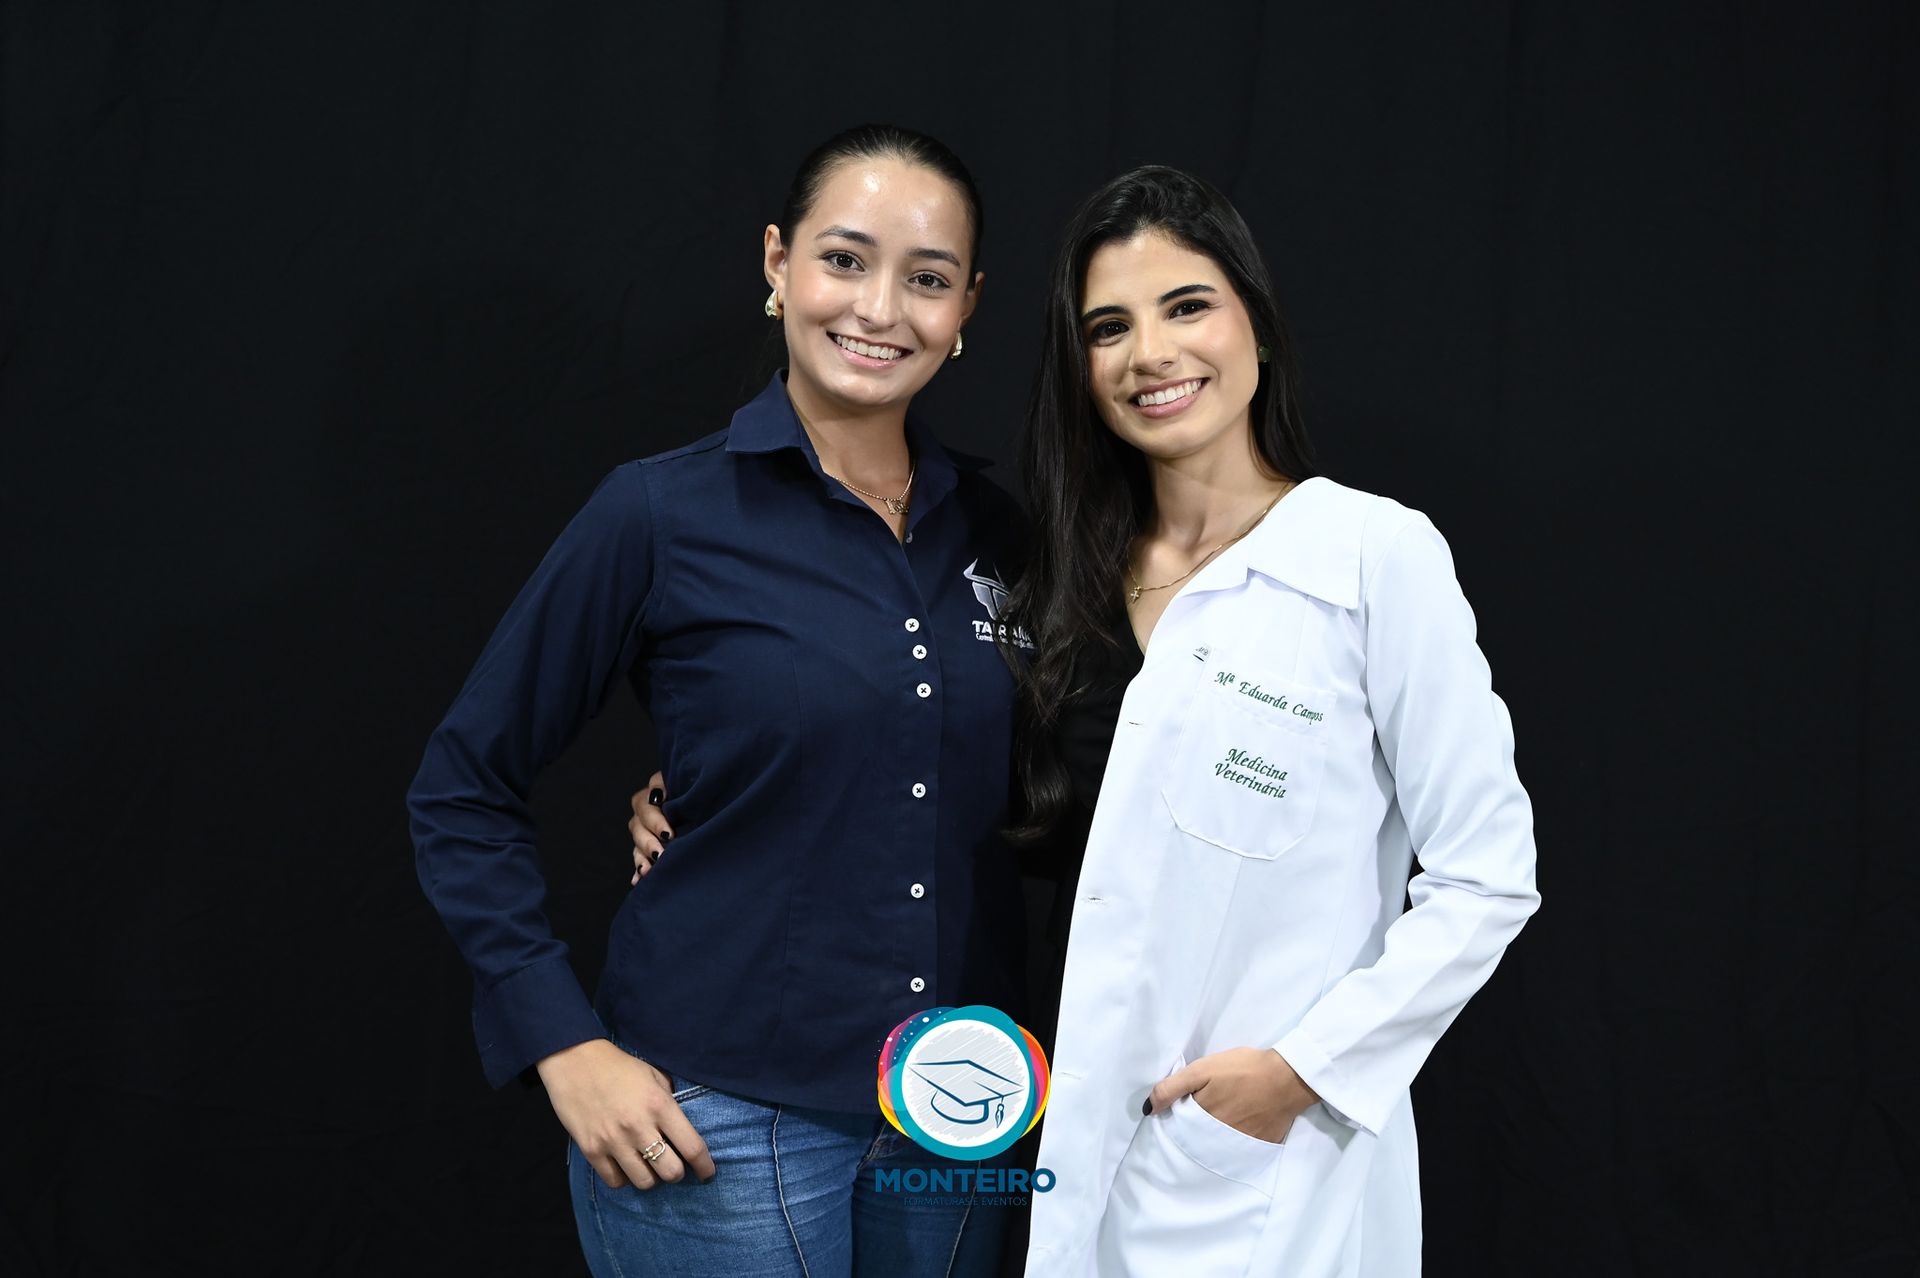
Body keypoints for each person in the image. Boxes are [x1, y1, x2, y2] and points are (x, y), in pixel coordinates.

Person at [407, 123, 1029, 1278]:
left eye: (927, 278)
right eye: (844, 260)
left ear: (968, 307)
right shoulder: (659, 513)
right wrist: (562, 1042)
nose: (880, 308)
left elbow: (1034, 794)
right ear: (777, 262)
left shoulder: (1008, 537)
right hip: (721, 1119)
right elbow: (461, 787)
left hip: (960, 1112)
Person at [996, 165, 1541, 1277]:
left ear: (1255, 320)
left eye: (1186, 306)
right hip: (1056, 1139)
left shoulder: (1371, 558)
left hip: (1258, 1173)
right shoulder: (1061, 585)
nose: (1150, 354)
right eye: (1109, 327)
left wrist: (1301, 1071)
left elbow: (1488, 876)